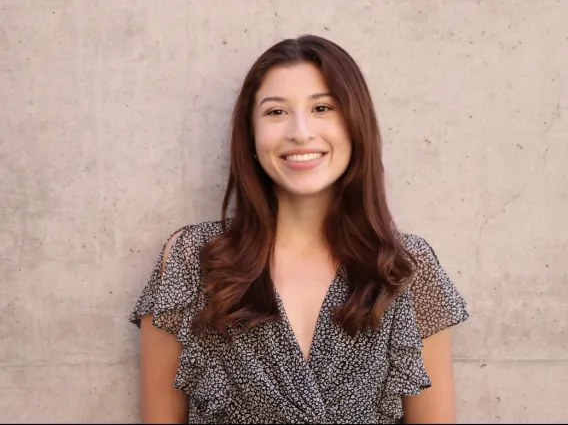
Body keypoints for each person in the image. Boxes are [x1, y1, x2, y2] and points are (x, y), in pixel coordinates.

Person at [129, 34, 469, 424]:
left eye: (323, 107)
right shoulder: (192, 258)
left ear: (356, 124)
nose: (301, 132)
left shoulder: (406, 267)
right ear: (251, 135)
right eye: (276, 113)